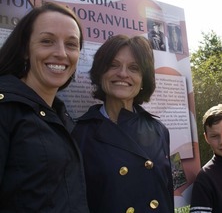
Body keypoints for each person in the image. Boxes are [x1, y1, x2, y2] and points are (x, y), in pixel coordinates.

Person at [0, 2, 89, 212]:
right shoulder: (5, 108)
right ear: (24, 50)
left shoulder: (59, 116)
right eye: (47, 41)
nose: (61, 53)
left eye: (71, 44)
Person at [72, 34, 174, 213]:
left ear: (144, 80)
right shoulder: (79, 134)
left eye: (134, 68)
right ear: (100, 72)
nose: (123, 73)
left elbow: (166, 196)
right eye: (113, 65)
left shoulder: (159, 131)